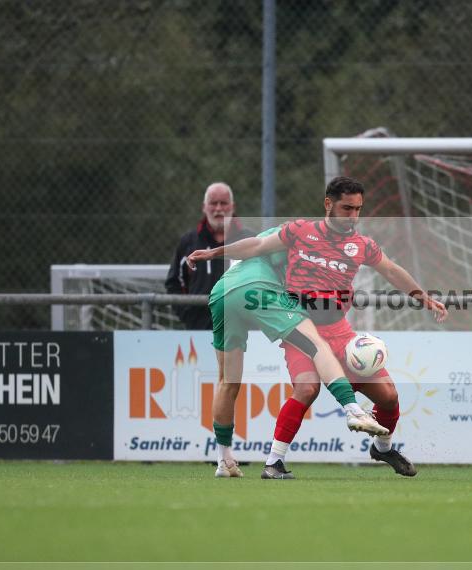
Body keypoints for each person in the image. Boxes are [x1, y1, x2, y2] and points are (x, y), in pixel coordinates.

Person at [190, 176, 448, 480]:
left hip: (340, 332)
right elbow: (257, 245)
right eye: (346, 208)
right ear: (328, 204)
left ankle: (383, 447)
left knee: (389, 396)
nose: (353, 216)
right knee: (306, 388)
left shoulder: (361, 246)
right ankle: (274, 462)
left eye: (358, 210)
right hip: (303, 328)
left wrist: (424, 298)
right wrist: (213, 253)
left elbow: (391, 270)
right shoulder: (300, 231)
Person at [188, 225, 390, 478]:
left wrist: (212, 253)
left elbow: (254, 247)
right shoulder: (298, 235)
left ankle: (224, 460)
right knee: (318, 346)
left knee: (227, 381)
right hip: (258, 289)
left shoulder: (274, 235)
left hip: (222, 293)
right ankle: (353, 410)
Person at [166, 182, 253, 330]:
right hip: (198, 329)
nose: (218, 208)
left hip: (242, 330)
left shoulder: (250, 241)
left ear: (233, 206)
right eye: (213, 203)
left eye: (223, 203)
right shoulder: (188, 242)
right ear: (204, 207)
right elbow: (174, 283)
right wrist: (188, 314)